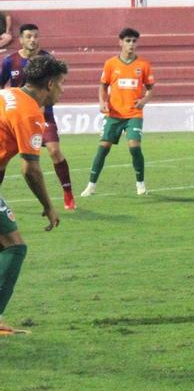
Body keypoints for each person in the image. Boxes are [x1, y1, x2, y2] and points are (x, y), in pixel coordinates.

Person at [0, 55, 68, 335]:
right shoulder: (30, 113)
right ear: (49, 84)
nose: (63, 90)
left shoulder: (8, 94)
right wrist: (49, 206)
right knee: (14, 246)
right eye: (62, 84)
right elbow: (30, 169)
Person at [0, 24, 76, 209]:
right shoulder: (11, 61)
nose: (33, 40)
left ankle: (68, 193)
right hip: (21, 115)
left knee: (54, 151)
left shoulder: (47, 59)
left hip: (43, 116)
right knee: (7, 156)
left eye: (35, 36)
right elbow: (30, 170)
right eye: (28, 36)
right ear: (21, 39)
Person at [80, 28, 155, 197]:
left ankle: (140, 185)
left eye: (134, 41)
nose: (131, 44)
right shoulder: (111, 64)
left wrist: (143, 101)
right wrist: (102, 101)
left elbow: (151, 89)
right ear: (120, 42)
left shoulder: (143, 65)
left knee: (134, 147)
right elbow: (103, 85)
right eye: (128, 40)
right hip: (114, 114)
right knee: (103, 148)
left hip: (133, 114)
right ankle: (91, 186)